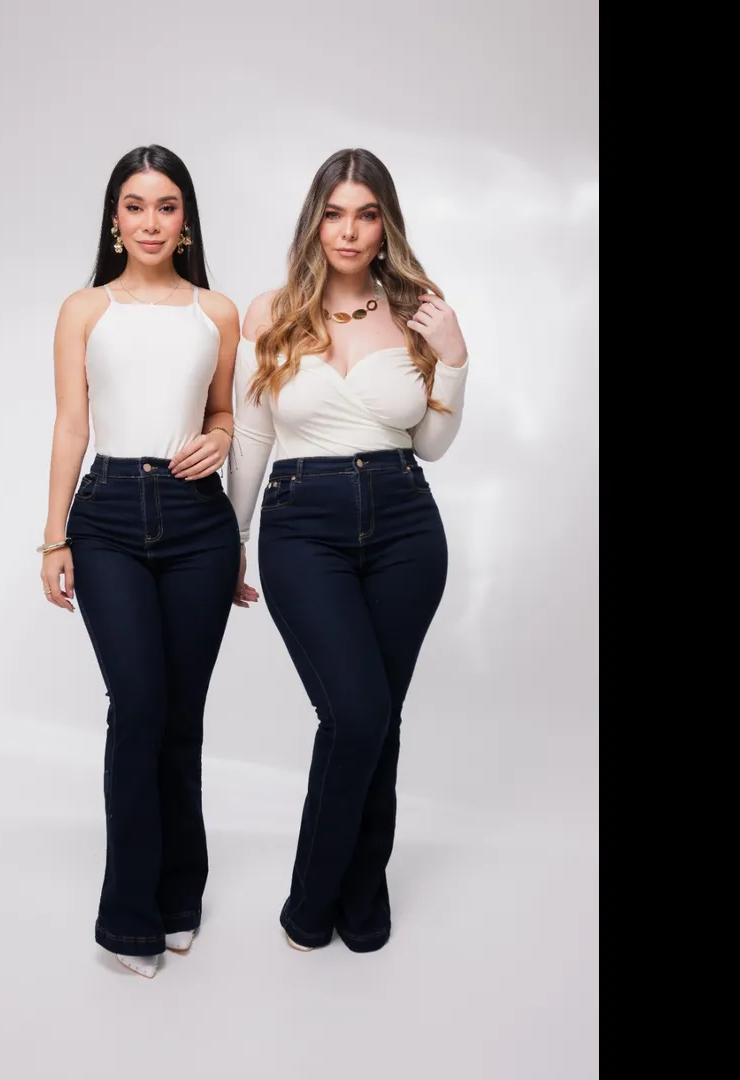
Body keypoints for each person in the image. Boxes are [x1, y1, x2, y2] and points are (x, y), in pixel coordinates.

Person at [228, 148, 470, 954]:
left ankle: (362, 896)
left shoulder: (415, 311)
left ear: (385, 224)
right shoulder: (270, 312)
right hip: (303, 525)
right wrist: (234, 540)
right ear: (315, 221)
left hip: (405, 522)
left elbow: (430, 443)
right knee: (356, 710)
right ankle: (313, 901)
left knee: (379, 720)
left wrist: (455, 361)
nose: (350, 230)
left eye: (366, 214)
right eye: (335, 213)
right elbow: (253, 436)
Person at [39, 145, 241, 979]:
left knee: (181, 715)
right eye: (134, 205)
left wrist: (220, 439)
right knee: (140, 705)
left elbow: (225, 412)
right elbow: (71, 424)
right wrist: (54, 536)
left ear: (185, 220)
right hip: (109, 519)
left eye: (166, 206)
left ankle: (180, 896)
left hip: (199, 522)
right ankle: (129, 920)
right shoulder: (85, 309)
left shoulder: (216, 311)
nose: (150, 222)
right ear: (114, 220)